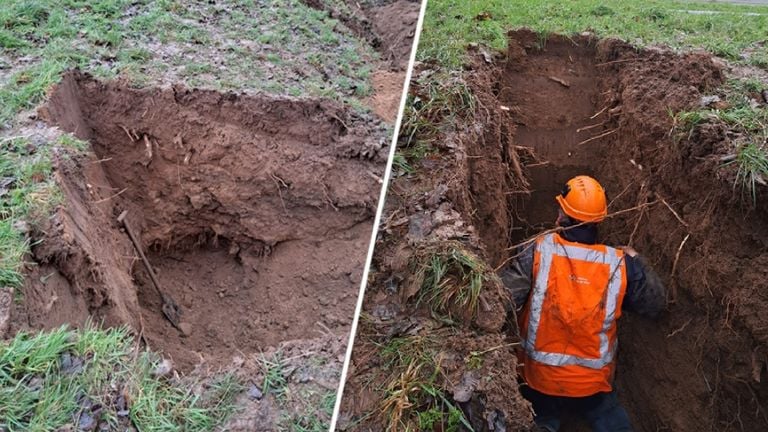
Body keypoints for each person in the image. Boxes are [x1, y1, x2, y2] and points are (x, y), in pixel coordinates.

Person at [498, 175, 666, 432]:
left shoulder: (538, 251)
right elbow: (655, 304)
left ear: (560, 216)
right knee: (613, 421)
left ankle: (545, 424)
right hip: (591, 387)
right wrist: (637, 259)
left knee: (541, 417)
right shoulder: (620, 265)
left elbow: (502, 300)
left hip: (539, 381)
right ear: (600, 220)